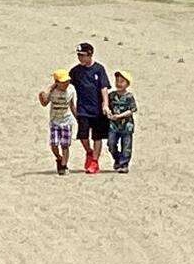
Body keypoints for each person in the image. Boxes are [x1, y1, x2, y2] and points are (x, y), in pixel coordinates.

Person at [68, 43, 110, 174]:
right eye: (78, 55)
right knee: (83, 135)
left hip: (97, 109)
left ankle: (95, 161)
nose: (80, 57)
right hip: (82, 108)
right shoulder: (75, 71)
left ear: (90, 54)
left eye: (82, 55)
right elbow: (65, 84)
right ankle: (89, 152)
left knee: (97, 136)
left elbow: (104, 88)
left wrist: (105, 104)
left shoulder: (99, 69)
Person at [38, 69, 77, 175]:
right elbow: (44, 103)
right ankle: (59, 158)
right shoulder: (52, 92)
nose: (66, 84)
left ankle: (64, 165)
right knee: (54, 144)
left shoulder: (71, 90)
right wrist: (48, 89)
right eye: (63, 82)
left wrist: (78, 118)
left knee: (65, 145)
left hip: (67, 121)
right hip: (54, 121)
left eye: (67, 81)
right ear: (57, 82)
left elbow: (72, 105)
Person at [108, 70, 138, 174]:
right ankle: (118, 158)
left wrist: (120, 116)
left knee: (126, 145)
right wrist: (109, 114)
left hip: (126, 124)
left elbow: (132, 110)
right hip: (114, 125)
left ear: (127, 84)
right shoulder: (111, 95)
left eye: (122, 82)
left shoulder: (129, 96)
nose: (119, 84)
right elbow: (107, 106)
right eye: (117, 81)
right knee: (111, 143)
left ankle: (124, 164)